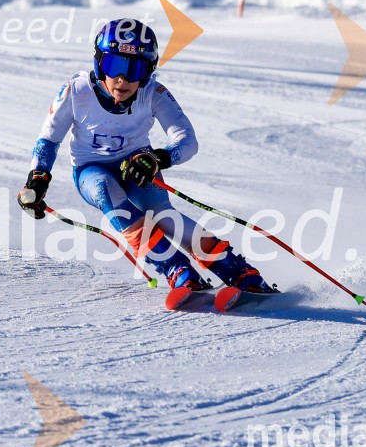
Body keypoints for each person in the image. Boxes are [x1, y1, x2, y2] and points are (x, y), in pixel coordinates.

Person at [17, 18, 273, 293]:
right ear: (99, 62)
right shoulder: (76, 90)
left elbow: (188, 141)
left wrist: (158, 159)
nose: (123, 79)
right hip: (91, 170)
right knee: (109, 195)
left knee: (162, 215)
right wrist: (38, 180)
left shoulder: (153, 93)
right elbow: (49, 139)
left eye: (135, 68)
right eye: (114, 66)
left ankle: (237, 272)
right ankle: (178, 270)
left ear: (148, 71)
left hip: (138, 165)